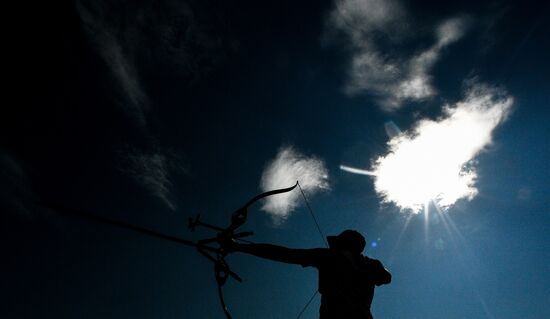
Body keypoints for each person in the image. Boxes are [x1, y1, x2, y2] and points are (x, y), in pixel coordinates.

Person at [226, 229, 391, 319]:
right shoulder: (329, 257)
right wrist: (239, 247)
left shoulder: (369, 264)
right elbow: (284, 254)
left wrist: (359, 266)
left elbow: (386, 277)